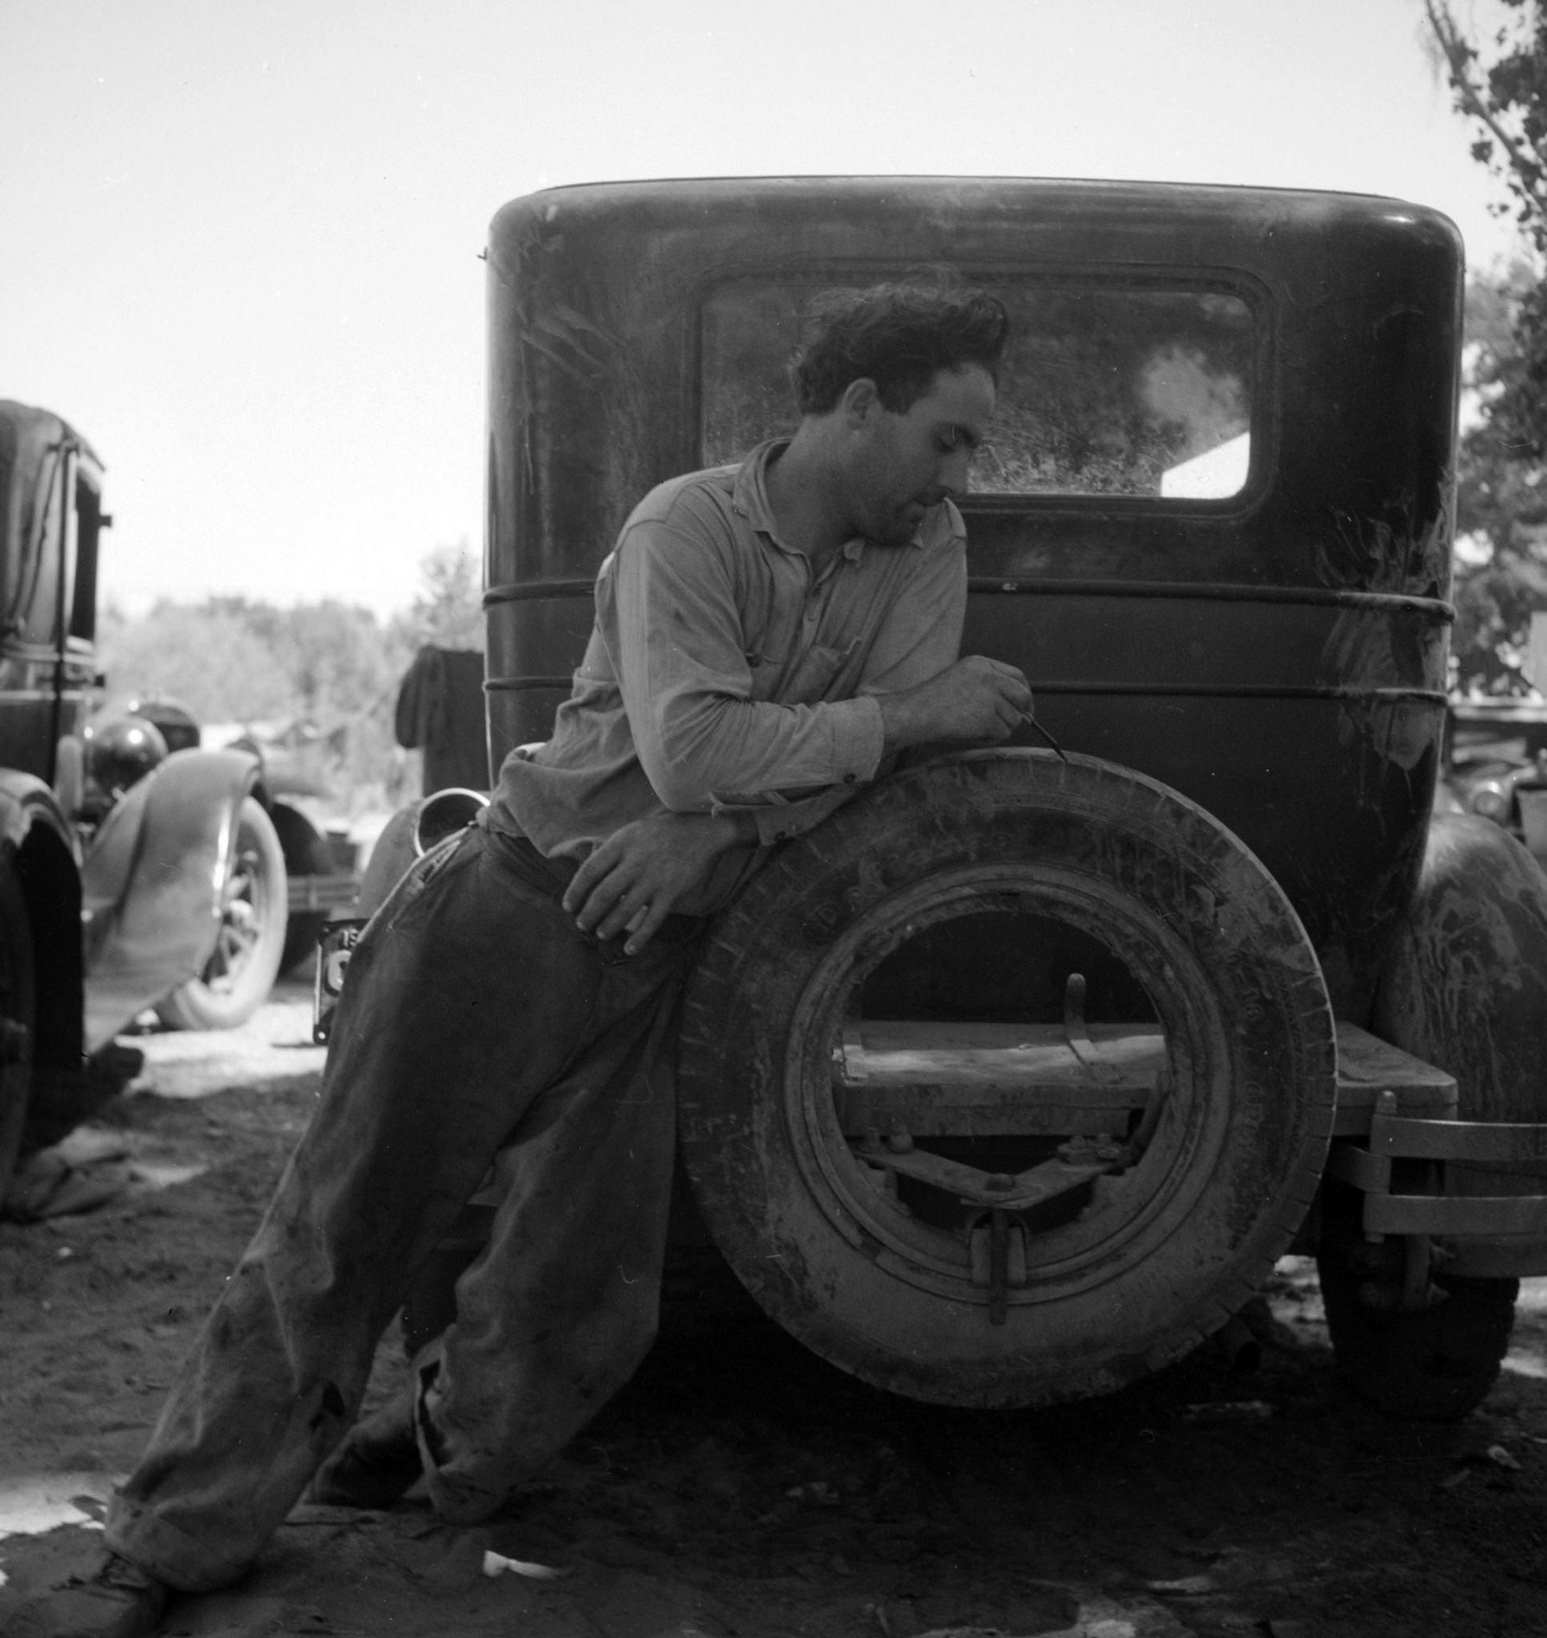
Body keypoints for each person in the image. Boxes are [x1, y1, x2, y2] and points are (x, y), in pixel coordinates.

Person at [13, 282, 1030, 1638]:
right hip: (512, 909)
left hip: (672, 943)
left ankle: (435, 1456)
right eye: (948, 438)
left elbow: (841, 786)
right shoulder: (688, 527)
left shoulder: (928, 545)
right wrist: (896, 721)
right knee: (339, 1231)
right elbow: (705, 747)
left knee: (580, 1297)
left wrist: (702, 843)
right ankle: (170, 1538)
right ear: (858, 407)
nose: (961, 477)